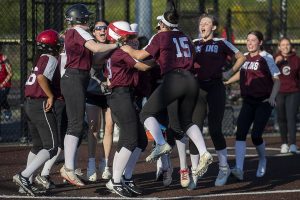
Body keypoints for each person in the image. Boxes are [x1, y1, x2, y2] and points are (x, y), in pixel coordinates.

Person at [121, 5, 212, 180]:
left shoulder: (161, 36)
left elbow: (139, 56)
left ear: (163, 24)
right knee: (186, 121)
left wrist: (127, 49)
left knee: (146, 113)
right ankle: (204, 152)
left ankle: (161, 143)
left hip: (174, 79)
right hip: (191, 80)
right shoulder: (185, 36)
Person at [59, 3, 121, 187]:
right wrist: (117, 44)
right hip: (74, 78)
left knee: (77, 124)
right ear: (80, 18)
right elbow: (96, 48)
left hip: (77, 77)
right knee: (76, 124)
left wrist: (113, 48)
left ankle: (68, 167)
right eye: (86, 17)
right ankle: (68, 168)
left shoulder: (74, 33)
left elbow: (93, 59)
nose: (89, 20)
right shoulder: (78, 31)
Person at [188, 13, 246, 189]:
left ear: (213, 27)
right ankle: (195, 172)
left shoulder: (221, 42)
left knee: (214, 129)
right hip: (198, 89)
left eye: (206, 23)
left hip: (215, 88)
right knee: (194, 129)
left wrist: (228, 73)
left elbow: (241, 57)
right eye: (201, 23)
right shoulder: (194, 44)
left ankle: (223, 168)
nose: (203, 26)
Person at [103, 21, 151, 197]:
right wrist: (161, 59)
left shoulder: (116, 51)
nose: (132, 39)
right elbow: (144, 66)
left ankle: (126, 177)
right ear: (118, 37)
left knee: (140, 140)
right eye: (128, 37)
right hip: (120, 96)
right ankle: (115, 180)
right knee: (130, 140)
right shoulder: (119, 52)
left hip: (125, 96)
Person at [224, 30, 280, 180]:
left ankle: (262, 159)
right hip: (248, 101)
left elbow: (277, 80)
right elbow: (240, 73)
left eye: (253, 40)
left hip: (264, 102)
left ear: (260, 42)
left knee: (256, 136)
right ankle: (239, 169)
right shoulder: (245, 58)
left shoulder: (266, 58)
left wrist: (273, 97)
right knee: (240, 134)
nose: (249, 43)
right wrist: (227, 81)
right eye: (248, 40)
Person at [12, 29, 61, 196]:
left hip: (30, 104)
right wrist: (50, 96)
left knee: (38, 146)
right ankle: (24, 176)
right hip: (40, 103)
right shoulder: (51, 58)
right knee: (52, 146)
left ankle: (25, 182)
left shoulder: (40, 57)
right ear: (52, 44)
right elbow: (41, 78)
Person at [86, 20, 114, 182]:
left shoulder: (113, 45)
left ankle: (105, 164)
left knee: (109, 128)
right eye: (99, 28)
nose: (102, 31)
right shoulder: (91, 46)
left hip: (109, 94)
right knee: (93, 128)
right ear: (94, 32)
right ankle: (91, 164)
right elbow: (96, 60)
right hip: (92, 93)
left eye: (105, 28)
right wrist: (114, 46)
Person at [274, 37, 300, 154]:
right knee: (281, 118)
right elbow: (268, 74)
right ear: (279, 47)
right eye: (283, 45)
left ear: (291, 46)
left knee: (291, 118)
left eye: (287, 44)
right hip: (279, 91)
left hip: (293, 92)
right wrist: (275, 63)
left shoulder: (296, 59)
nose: (285, 47)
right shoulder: (275, 58)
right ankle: (284, 143)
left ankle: (293, 144)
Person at [0, 45, 13, 120]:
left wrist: (2, 84)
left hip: (5, 84)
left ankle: (6, 109)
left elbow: (10, 73)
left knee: (1, 98)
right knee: (2, 99)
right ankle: (6, 108)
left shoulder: (3, 58)